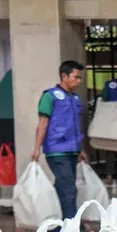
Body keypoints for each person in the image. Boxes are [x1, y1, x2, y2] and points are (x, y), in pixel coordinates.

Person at [33, 61, 88, 221]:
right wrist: (37, 148)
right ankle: (73, 227)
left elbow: (76, 127)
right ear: (64, 76)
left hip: (72, 150)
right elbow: (43, 123)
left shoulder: (76, 98)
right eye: (76, 77)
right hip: (57, 151)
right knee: (69, 189)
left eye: (80, 78)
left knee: (62, 188)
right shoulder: (49, 96)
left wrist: (80, 149)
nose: (79, 81)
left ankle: (56, 226)